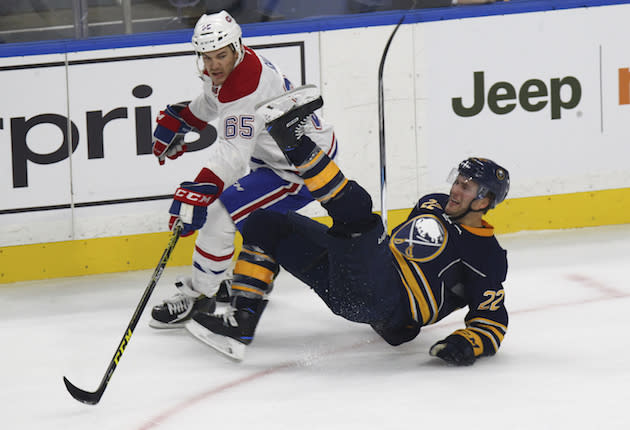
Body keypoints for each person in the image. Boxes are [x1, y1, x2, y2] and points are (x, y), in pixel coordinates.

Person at [185, 86, 509, 365]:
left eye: (467, 187)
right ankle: (240, 322)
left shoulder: (486, 253)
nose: (456, 189)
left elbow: (492, 321)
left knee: (358, 215)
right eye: (458, 181)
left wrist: (466, 343)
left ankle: (294, 142)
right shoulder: (433, 203)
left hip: (388, 303)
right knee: (264, 221)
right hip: (357, 281)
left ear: (484, 201)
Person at [148, 11, 338, 329]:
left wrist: (199, 190)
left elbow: (234, 151)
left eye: (220, 55)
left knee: (218, 214)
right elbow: (213, 101)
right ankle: (221, 277)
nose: (213, 64)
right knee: (230, 211)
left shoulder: (247, 85)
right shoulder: (233, 67)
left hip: (300, 168)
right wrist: (184, 119)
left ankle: (200, 297)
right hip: (278, 159)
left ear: (237, 47)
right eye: (206, 57)